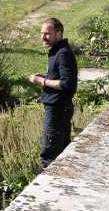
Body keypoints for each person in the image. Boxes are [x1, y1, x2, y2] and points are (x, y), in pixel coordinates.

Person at [29, 18, 77, 169]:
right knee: (61, 150)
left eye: (47, 34)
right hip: (60, 108)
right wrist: (46, 77)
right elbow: (61, 79)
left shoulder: (62, 53)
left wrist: (41, 82)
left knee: (50, 154)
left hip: (57, 109)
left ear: (58, 34)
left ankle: (47, 185)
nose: (43, 37)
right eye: (42, 33)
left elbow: (66, 84)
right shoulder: (58, 51)